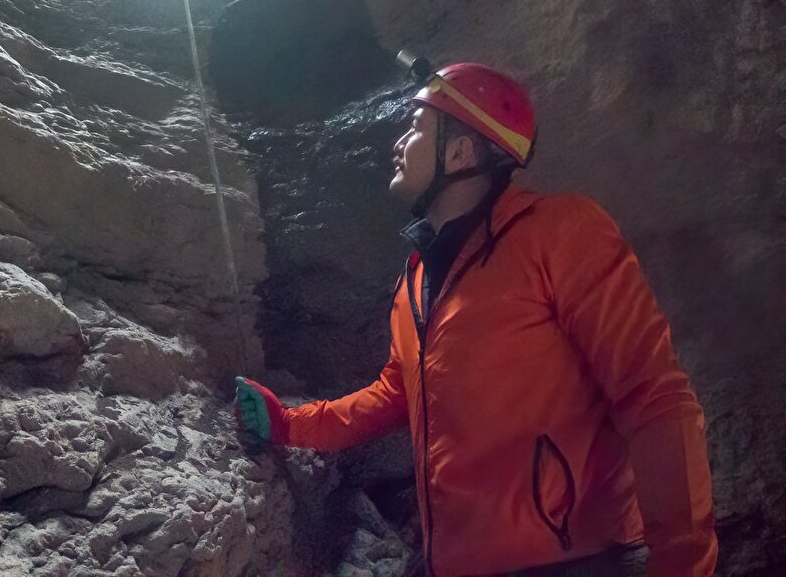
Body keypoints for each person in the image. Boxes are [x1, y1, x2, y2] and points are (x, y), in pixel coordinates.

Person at [234, 62, 717, 577]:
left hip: (575, 561)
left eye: (416, 127)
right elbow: (395, 393)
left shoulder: (560, 232)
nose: (398, 143)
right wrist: (288, 425)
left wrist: (683, 565)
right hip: (456, 562)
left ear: (461, 151)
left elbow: (655, 398)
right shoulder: (416, 276)